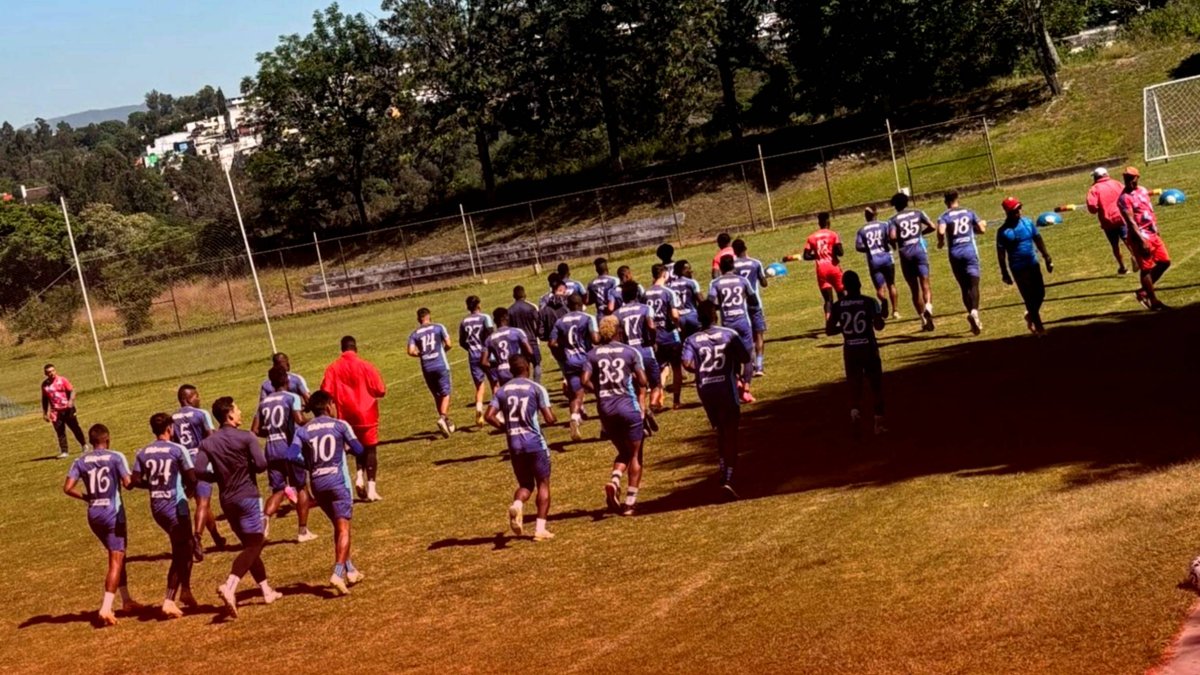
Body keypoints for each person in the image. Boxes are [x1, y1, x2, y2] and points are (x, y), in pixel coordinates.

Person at [196, 396, 280, 619]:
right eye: (237, 409)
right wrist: (247, 466)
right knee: (255, 544)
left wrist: (217, 476)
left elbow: (198, 470)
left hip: (227, 500)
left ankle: (266, 591)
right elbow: (261, 465)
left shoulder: (207, 443)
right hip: (248, 496)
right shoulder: (246, 437)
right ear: (229, 414)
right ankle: (230, 586)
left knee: (249, 546)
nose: (240, 412)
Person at [287, 390, 366, 595]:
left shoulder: (303, 430)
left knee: (338, 527)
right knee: (344, 529)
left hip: (318, 483)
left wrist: (309, 464)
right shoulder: (340, 425)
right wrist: (346, 447)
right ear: (329, 405)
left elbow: (291, 455)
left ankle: (351, 571)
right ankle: (337, 573)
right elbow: (359, 449)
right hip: (338, 481)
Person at [63, 424, 140, 626]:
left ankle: (127, 600)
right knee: (115, 559)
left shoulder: (80, 461)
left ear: (90, 441)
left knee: (119, 554)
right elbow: (128, 484)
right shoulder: (116, 457)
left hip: (94, 513)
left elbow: (68, 488)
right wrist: (140, 473)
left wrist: (86, 497)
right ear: (107, 439)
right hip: (112, 513)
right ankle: (106, 608)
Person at [682, 300, 752, 499]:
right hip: (725, 387)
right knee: (731, 432)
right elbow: (745, 358)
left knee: (720, 430)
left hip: (706, 389)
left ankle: (723, 468)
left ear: (699, 318)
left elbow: (686, 363)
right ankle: (728, 478)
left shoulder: (691, 339)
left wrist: (702, 370)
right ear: (715, 316)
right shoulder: (729, 334)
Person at [131, 412, 198, 618]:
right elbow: (192, 478)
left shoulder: (143, 452)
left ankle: (186, 590)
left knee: (187, 546)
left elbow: (135, 480)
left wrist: (154, 485)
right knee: (180, 551)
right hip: (176, 506)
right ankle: (169, 600)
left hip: (157, 507)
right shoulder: (178, 449)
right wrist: (189, 493)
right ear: (170, 428)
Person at [581, 316, 649, 516]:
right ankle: (630, 503)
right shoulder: (630, 352)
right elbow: (643, 381)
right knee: (635, 454)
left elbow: (583, 380)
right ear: (619, 331)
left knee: (623, 451)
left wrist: (599, 390)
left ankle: (615, 479)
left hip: (606, 410)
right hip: (628, 407)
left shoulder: (592, 354)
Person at [484, 355, 557, 541]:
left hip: (514, 444)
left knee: (525, 484)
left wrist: (505, 428)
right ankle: (540, 529)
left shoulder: (502, 391)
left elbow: (489, 416)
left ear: (511, 370)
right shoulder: (536, 388)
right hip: (534, 442)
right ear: (527, 368)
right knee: (543, 483)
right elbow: (549, 418)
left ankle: (517, 504)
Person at [321, 336, 387, 502]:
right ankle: (371, 489)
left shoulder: (332, 368)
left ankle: (358, 476)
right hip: (367, 413)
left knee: (356, 446)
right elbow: (381, 390)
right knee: (370, 449)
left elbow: (325, 391)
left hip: (345, 415)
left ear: (341, 349)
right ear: (355, 348)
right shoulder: (366, 366)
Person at [252, 365, 313, 542]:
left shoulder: (264, 403)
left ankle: (265, 520)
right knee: (301, 487)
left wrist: (272, 432)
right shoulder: (292, 397)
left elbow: (255, 429)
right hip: (290, 448)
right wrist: (315, 421)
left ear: (271, 383)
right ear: (287, 379)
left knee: (278, 490)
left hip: (271, 449)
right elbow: (299, 420)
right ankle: (302, 531)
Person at [826, 271, 888, 436]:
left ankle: (855, 413)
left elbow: (829, 330)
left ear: (844, 287)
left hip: (850, 350)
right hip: (869, 348)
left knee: (855, 385)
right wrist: (883, 310)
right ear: (859, 284)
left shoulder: (838, 305)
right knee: (876, 386)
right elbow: (879, 326)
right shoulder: (869, 302)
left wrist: (845, 328)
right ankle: (878, 423)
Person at [172, 384, 225, 560]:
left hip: (184, 464)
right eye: (195, 396)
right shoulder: (201, 414)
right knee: (203, 502)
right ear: (187, 398)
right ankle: (197, 538)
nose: (199, 398)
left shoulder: (173, 418)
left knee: (202, 502)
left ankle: (217, 537)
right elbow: (211, 437)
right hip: (199, 460)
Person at [996, 197, 1054, 335]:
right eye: (1015, 210)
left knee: (1040, 293)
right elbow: (1001, 254)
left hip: (1032, 263)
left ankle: (1031, 314)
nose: (1019, 212)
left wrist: (1047, 257)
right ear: (1008, 212)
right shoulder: (1003, 232)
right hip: (1018, 268)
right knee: (1029, 298)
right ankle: (1039, 328)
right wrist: (1004, 272)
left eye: (1019, 208)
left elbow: (1038, 239)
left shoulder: (1027, 223)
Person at [1117, 166, 1172, 310]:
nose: (1129, 181)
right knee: (1146, 268)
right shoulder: (1124, 198)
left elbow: (1148, 210)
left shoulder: (1142, 190)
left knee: (1165, 262)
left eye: (1132, 178)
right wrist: (1141, 240)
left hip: (1152, 233)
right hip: (1140, 236)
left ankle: (1143, 292)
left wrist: (1156, 228)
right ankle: (1153, 301)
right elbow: (1130, 221)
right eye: (1126, 179)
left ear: (1137, 178)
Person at [708, 255, 759, 403]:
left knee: (732, 355)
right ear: (733, 266)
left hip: (727, 325)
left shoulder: (715, 283)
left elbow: (711, 303)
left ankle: (737, 381)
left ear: (721, 267)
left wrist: (722, 305)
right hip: (743, 321)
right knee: (748, 356)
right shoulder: (742, 280)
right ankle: (746, 390)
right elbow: (754, 300)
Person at [548, 293, 598, 441]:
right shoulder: (588, 318)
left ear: (568, 306)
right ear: (581, 304)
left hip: (570, 362)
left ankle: (574, 417)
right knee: (599, 391)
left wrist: (562, 354)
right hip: (587, 360)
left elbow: (552, 343)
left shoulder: (560, 321)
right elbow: (595, 339)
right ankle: (605, 426)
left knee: (576, 394)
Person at [936, 190, 987, 335]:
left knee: (964, 287)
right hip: (970, 251)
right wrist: (980, 226)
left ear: (946, 202)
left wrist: (941, 242)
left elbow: (941, 231)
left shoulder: (944, 216)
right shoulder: (969, 212)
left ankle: (972, 317)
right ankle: (975, 312)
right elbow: (981, 229)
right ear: (957, 199)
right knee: (974, 285)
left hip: (955, 254)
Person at [614, 280, 661, 428]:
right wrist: (652, 341)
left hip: (629, 355)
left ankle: (643, 411)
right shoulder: (646, 308)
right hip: (645, 351)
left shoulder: (617, 314)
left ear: (623, 296)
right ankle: (650, 406)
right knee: (656, 384)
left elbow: (617, 335)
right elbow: (651, 327)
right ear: (637, 294)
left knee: (638, 388)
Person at [887, 191, 937, 330]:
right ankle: (928, 307)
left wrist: (897, 242)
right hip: (919, 251)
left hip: (905, 254)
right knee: (925, 284)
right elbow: (932, 226)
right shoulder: (918, 213)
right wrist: (920, 233)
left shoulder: (893, 219)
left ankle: (923, 320)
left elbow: (892, 237)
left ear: (895, 206)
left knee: (914, 289)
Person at [785, 212, 844, 322]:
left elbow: (806, 256)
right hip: (833, 267)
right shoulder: (833, 235)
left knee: (828, 300)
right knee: (842, 295)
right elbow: (841, 253)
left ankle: (828, 321)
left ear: (819, 223)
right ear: (828, 222)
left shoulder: (812, 237)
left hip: (821, 270)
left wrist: (817, 255)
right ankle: (844, 318)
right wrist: (832, 251)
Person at [407, 307, 456, 438]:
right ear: (429, 316)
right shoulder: (439, 327)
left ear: (418, 319)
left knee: (437, 395)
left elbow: (410, 351)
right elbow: (449, 344)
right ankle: (443, 417)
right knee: (446, 393)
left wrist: (422, 354)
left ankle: (446, 421)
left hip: (427, 367)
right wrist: (442, 351)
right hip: (440, 364)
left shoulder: (414, 334)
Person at [644, 264, 684, 410]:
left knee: (662, 368)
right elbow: (674, 315)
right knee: (676, 368)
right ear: (664, 274)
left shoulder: (645, 294)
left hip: (656, 337)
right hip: (670, 336)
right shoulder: (668, 292)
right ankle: (676, 401)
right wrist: (678, 325)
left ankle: (658, 396)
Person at [855, 207, 901, 320]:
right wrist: (892, 245)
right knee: (891, 284)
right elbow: (891, 238)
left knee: (880, 289)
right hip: (887, 258)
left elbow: (858, 246)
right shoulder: (885, 225)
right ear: (876, 214)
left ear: (866, 216)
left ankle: (884, 301)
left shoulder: (862, 230)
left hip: (874, 261)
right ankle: (895, 311)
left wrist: (869, 249)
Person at [732, 238, 769, 375]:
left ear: (735, 251)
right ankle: (759, 366)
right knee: (758, 334)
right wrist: (766, 275)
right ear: (745, 248)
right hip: (755, 303)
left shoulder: (733, 265)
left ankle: (751, 363)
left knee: (746, 335)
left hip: (740, 304)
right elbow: (764, 283)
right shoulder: (756, 263)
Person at [459, 295, 496, 426]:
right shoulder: (485, 317)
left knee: (479, 386)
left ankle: (479, 409)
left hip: (473, 355)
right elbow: (491, 335)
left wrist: (471, 349)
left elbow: (462, 341)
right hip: (487, 354)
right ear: (479, 305)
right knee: (495, 383)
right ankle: (497, 411)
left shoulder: (464, 321)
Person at [1086, 167, 1130, 275]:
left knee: (1115, 245)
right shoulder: (1116, 183)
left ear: (1096, 177)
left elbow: (1092, 207)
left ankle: (1122, 266)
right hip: (1121, 217)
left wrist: (1098, 208)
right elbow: (1127, 195)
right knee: (1128, 240)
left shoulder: (1094, 189)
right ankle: (1137, 258)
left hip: (1108, 221)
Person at [42, 363, 87, 459]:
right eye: (49, 372)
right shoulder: (45, 385)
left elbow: (72, 391)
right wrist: (45, 413)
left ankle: (84, 445)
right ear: (45, 374)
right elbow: (44, 399)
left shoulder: (62, 380)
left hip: (67, 409)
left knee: (75, 428)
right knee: (60, 431)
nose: (51, 373)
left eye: (53, 371)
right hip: (55, 412)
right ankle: (64, 451)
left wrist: (71, 401)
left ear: (55, 371)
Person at [481, 307, 534, 386]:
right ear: (507, 317)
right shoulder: (517, 332)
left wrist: (496, 365)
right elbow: (529, 351)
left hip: (502, 370)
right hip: (516, 366)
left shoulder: (489, 339)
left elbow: (484, 362)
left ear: (494, 321)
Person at [508, 285, 545, 383]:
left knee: (523, 366)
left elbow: (509, 328)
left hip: (519, 344)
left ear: (514, 296)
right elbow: (539, 322)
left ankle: (525, 384)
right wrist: (539, 333)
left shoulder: (510, 310)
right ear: (524, 295)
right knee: (537, 363)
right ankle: (537, 383)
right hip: (532, 340)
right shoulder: (531, 307)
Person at [667, 260, 703, 339]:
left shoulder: (670, 286)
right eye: (688, 269)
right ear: (682, 271)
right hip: (693, 316)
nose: (691, 271)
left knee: (685, 342)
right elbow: (701, 302)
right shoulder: (692, 282)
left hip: (680, 319)